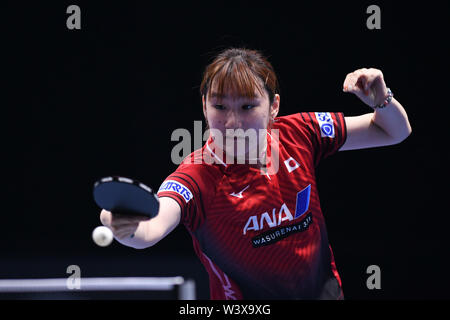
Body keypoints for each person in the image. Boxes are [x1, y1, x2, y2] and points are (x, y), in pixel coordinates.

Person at [100, 48, 412, 299]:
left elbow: (392, 132)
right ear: (204, 106)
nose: (232, 122)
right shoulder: (196, 177)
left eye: (248, 106)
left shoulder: (301, 133)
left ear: (273, 106)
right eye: (220, 106)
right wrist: (124, 225)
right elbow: (149, 230)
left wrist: (381, 101)